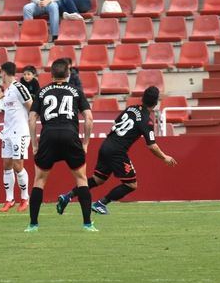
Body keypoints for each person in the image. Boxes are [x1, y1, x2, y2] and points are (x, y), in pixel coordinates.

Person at [57, 86, 177, 215]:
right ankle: (101, 203)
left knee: (98, 179)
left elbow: (116, 123)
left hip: (106, 145)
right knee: (131, 185)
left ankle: (67, 196)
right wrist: (165, 157)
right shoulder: (146, 121)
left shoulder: (130, 109)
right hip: (117, 151)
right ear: (155, 103)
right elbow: (152, 145)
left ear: (142, 98)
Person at [25, 59, 94, 232]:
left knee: (39, 180)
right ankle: (87, 224)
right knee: (81, 179)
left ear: (51, 75)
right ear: (68, 74)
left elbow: (32, 118)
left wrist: (34, 143)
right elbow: (89, 118)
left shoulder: (42, 92)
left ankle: (33, 224)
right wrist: (85, 142)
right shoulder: (76, 91)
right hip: (70, 136)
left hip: (48, 137)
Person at [0, 62, 33, 212]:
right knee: (6, 164)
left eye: (1, 73)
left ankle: (25, 198)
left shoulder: (19, 87)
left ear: (4, 73)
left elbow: (31, 105)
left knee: (18, 165)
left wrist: (30, 123)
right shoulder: (8, 91)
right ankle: (9, 199)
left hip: (20, 132)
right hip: (8, 133)